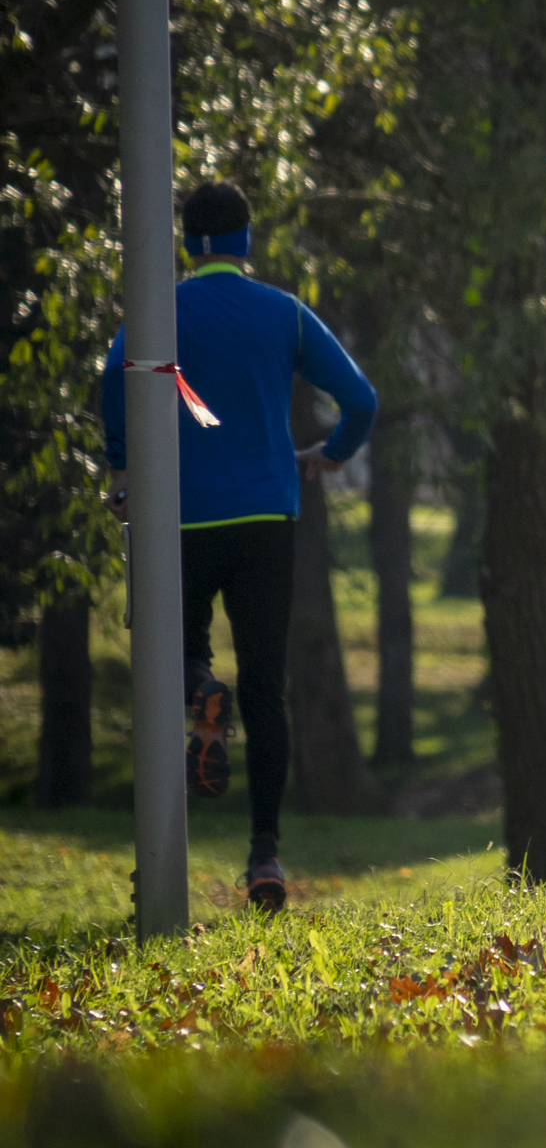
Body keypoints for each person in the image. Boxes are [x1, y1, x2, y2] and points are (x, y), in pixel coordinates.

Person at [100, 180, 377, 913]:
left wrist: (123, 467)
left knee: (176, 652)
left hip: (180, 517)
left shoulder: (159, 313)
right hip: (264, 519)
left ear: (188, 243)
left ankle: (199, 694)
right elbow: (362, 400)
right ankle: (265, 857)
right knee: (264, 687)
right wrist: (333, 453)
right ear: (246, 240)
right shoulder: (285, 313)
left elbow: (113, 380)